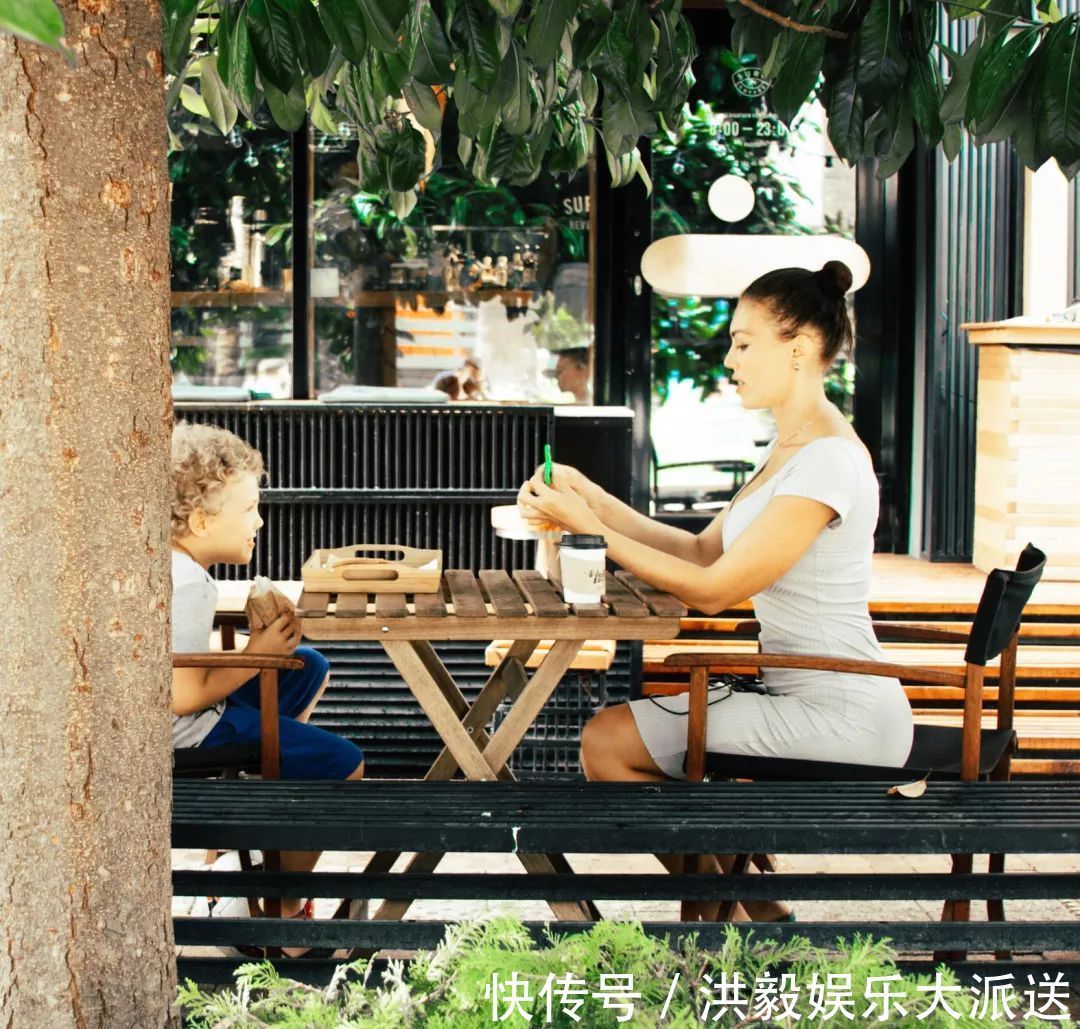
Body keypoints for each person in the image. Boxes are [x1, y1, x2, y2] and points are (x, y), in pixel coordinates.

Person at [518, 261, 914, 921]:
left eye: (743, 340)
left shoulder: (828, 460)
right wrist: (594, 499)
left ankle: (738, 907)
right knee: (611, 740)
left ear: (800, 347)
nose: (728, 357)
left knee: (607, 743)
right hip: (801, 691)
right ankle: (742, 903)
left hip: (842, 712)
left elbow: (711, 590)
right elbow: (701, 548)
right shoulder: (789, 450)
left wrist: (592, 531)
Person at [170, 422, 365, 954]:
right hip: (185, 735)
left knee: (306, 663)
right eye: (249, 508)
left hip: (181, 718)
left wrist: (267, 652)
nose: (258, 519)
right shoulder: (185, 585)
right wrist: (259, 654)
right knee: (343, 763)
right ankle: (281, 914)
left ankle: (260, 816)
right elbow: (182, 696)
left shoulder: (180, 568)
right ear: (201, 519)